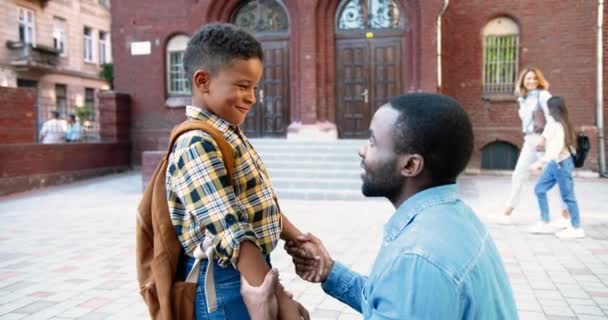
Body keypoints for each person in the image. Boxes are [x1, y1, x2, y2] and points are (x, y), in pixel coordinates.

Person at [276, 93, 516, 319]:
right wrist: (330, 271)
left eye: (372, 142)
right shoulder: (454, 217)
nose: (362, 150)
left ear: (410, 165)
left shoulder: (418, 258)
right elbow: (395, 302)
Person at [165, 23, 315, 320]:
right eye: (243, 86)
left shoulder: (227, 133)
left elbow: (253, 205)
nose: (252, 97)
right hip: (225, 283)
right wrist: (281, 303)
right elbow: (232, 231)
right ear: (203, 81)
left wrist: (297, 238)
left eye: (255, 87)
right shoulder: (196, 143)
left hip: (251, 269)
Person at [501, 67, 570, 226]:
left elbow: (553, 118)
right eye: (528, 79)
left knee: (554, 177)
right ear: (523, 81)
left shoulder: (544, 95)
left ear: (539, 80)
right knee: (519, 174)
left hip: (543, 140)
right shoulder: (522, 98)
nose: (531, 81)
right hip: (530, 140)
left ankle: (566, 214)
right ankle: (508, 211)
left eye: (534, 78)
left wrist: (544, 139)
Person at [528, 97, 584, 238]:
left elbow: (556, 149)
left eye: (548, 107)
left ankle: (577, 228)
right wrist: (542, 142)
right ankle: (545, 221)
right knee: (539, 189)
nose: (546, 110)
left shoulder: (560, 126)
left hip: (562, 164)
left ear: (553, 109)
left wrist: (540, 163)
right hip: (556, 164)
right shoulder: (554, 122)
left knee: (568, 197)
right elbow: (548, 133)